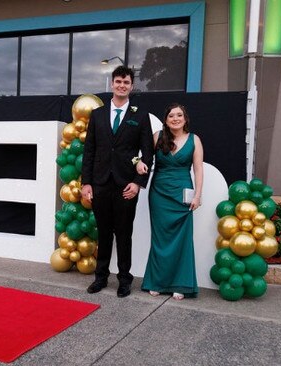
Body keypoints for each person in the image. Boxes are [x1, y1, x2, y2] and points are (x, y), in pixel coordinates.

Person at [81, 65, 154, 298]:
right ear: (112, 84)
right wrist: (86, 183)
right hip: (100, 184)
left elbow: (147, 153)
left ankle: (124, 279)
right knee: (103, 233)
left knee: (123, 234)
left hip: (126, 186)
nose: (122, 85)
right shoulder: (98, 115)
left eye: (126, 82)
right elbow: (89, 151)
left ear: (132, 86)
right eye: (118, 81)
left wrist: (138, 182)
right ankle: (100, 278)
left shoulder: (140, 116)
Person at [136, 103, 203, 300]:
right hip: (159, 194)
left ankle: (180, 284)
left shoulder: (195, 140)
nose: (175, 118)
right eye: (171, 115)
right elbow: (145, 158)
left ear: (185, 118)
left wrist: (198, 195)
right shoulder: (157, 136)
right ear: (166, 120)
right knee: (160, 239)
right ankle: (157, 282)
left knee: (182, 239)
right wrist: (140, 163)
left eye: (179, 115)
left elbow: (198, 169)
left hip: (183, 193)